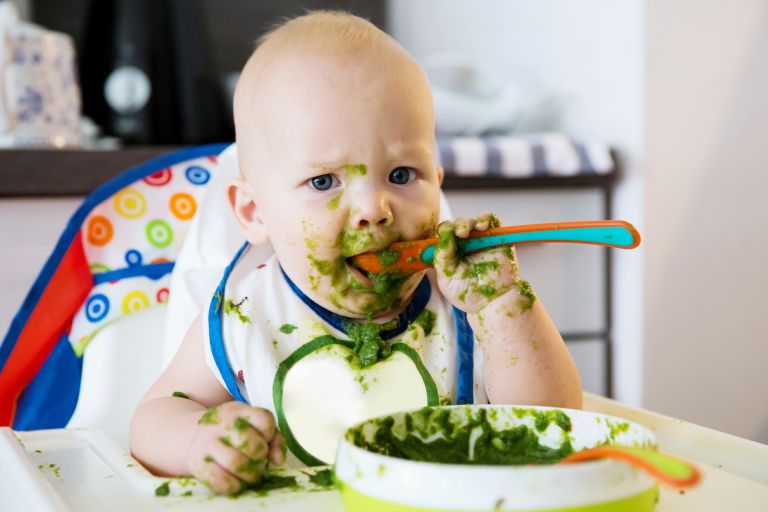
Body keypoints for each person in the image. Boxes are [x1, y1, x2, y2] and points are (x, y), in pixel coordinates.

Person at [130, 10, 582, 495]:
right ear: (254, 212)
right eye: (323, 181)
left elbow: (555, 424)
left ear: (438, 183)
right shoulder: (245, 315)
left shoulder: (466, 308)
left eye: (403, 174)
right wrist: (200, 440)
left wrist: (503, 308)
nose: (373, 208)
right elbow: (153, 418)